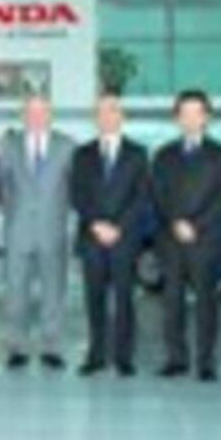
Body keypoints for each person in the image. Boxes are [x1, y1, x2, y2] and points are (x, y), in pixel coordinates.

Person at [151, 90, 221, 382]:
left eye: (196, 113)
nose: (190, 119)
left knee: (206, 304)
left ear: (206, 117)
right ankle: (176, 358)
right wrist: (176, 222)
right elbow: (157, 194)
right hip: (170, 239)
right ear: (177, 118)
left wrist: (195, 225)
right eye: (184, 113)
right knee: (172, 302)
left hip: (205, 240)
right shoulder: (163, 155)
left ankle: (206, 361)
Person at [70, 95, 147, 377]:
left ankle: (123, 357)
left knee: (124, 298)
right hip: (92, 238)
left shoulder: (138, 153)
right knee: (94, 299)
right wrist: (96, 224)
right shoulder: (82, 154)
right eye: (100, 112)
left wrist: (118, 227)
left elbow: (141, 196)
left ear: (121, 116)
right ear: (95, 118)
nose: (106, 116)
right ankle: (96, 355)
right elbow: (77, 194)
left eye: (112, 111)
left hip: (124, 239)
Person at [0, 96, 75, 370]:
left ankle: (51, 347)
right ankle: (16, 347)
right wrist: (15, 214)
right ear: (23, 115)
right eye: (31, 112)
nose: (36, 117)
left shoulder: (66, 145)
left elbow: (72, 187)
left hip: (53, 230)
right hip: (18, 231)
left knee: (54, 291)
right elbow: (3, 185)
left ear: (51, 115)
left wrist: (58, 215)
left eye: (42, 112)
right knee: (15, 291)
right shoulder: (9, 145)